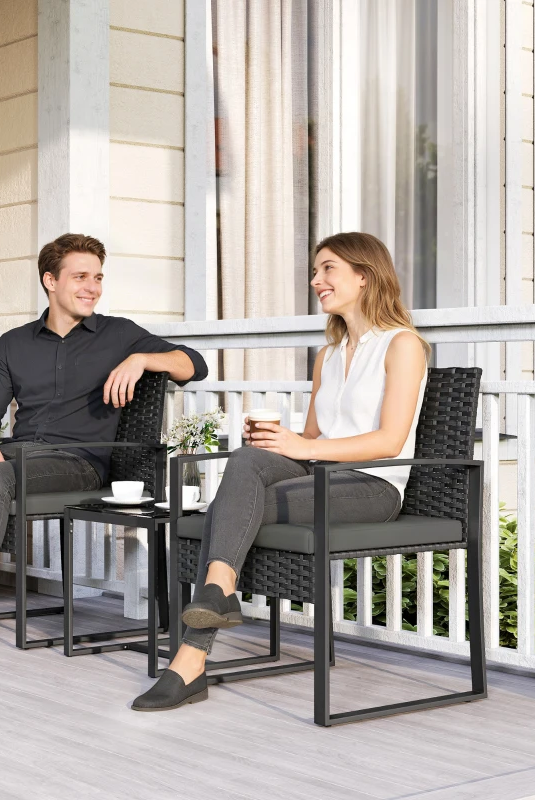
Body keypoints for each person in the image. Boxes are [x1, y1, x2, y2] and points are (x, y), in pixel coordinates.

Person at [132, 231, 430, 711]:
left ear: (364, 275)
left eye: (327, 269)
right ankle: (209, 614)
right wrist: (278, 444)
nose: (316, 280)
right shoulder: (328, 356)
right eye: (316, 271)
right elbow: (312, 439)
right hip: (324, 477)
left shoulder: (403, 345)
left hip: (374, 485)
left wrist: (298, 445)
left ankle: (193, 651)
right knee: (246, 462)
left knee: (227, 509)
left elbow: (389, 440)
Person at [0, 233, 208, 656]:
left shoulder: (119, 335)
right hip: (19, 450)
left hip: (78, 461)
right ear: (50, 280)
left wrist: (141, 359)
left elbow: (195, 364)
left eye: (97, 278)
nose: (92, 287)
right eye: (80, 276)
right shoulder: (15, 342)